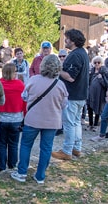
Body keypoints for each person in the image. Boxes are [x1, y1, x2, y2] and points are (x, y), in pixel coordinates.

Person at [11, 54, 68, 185]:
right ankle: (40, 175)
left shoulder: (34, 79)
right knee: (46, 148)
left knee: (26, 145)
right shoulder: (60, 85)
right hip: (52, 120)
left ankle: (21, 172)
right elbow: (64, 105)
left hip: (33, 119)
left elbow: (24, 96)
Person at [52, 29, 89, 162]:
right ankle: (76, 148)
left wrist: (58, 69)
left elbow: (70, 77)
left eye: (67, 38)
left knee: (69, 123)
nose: (65, 41)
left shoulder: (75, 55)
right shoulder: (83, 53)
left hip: (73, 95)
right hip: (81, 94)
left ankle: (67, 150)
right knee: (76, 122)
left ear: (72, 40)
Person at [0, 62, 25, 173]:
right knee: (13, 144)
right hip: (16, 118)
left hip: (1, 118)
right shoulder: (20, 85)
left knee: (2, 144)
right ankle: (12, 165)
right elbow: (25, 101)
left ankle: (1, 167)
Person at [86, 56, 108, 131]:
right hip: (91, 93)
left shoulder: (104, 72)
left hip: (99, 93)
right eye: (95, 62)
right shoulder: (92, 71)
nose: (97, 64)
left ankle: (96, 125)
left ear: (101, 63)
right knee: (89, 107)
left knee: (98, 108)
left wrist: (100, 79)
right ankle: (90, 124)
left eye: (98, 62)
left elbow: (107, 84)